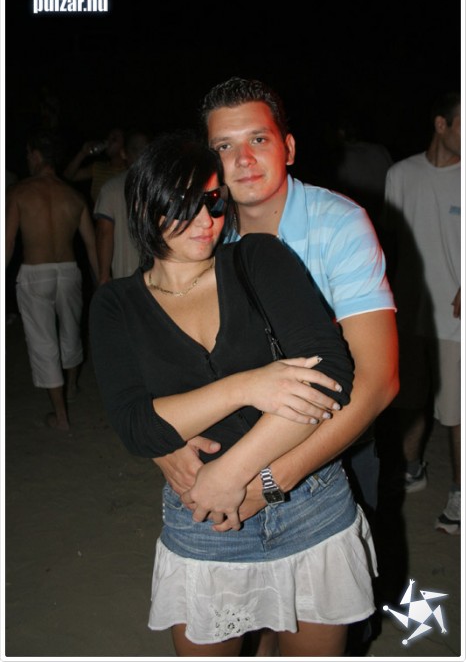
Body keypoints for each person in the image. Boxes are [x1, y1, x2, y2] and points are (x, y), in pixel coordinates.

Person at [89, 132, 378, 657]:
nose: (206, 220)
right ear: (146, 205)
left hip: (308, 504)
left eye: (214, 201)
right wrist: (246, 385)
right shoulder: (117, 305)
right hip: (206, 523)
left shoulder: (256, 259)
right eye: (185, 204)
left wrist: (232, 473)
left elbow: (331, 374)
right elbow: (136, 426)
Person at [154, 78, 399, 654]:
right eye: (224, 146)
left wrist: (270, 481)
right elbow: (155, 352)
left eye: (258, 139)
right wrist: (165, 447)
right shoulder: (202, 233)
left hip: (334, 447)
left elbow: (378, 382)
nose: (242, 159)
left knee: (327, 620)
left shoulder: (339, 224)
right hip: (231, 449)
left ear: (288, 147)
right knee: (249, 618)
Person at [382, 91, 461, 534]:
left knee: (455, 410)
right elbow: (391, 240)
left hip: (456, 318)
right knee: (409, 398)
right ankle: (412, 467)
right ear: (441, 125)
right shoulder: (400, 174)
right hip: (409, 308)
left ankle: (461, 492)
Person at [5, 128, 99, 432]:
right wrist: (101, 280)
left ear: (35, 155)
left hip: (35, 273)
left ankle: (60, 417)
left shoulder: (19, 192)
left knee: (43, 341)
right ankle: (70, 388)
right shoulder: (74, 195)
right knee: (71, 332)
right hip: (69, 271)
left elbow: (7, 243)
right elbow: (91, 245)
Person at [93, 129, 151, 284]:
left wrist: (104, 276)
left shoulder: (111, 188)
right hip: (160, 280)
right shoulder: (162, 187)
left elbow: (104, 233)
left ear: (124, 153)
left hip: (125, 279)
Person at [64, 126, 126, 202]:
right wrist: (82, 153)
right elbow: (68, 176)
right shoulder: (98, 167)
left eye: (114, 139)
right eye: (108, 138)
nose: (108, 141)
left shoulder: (129, 172)